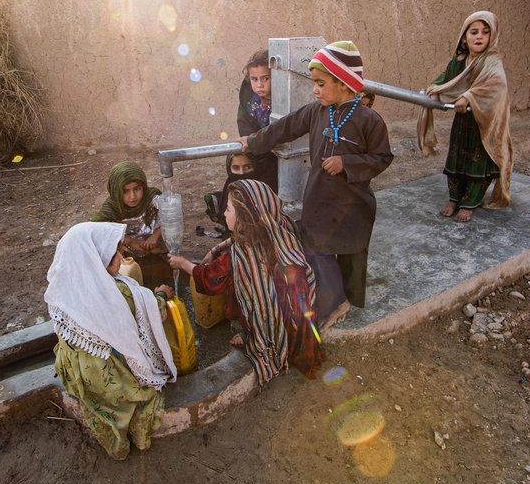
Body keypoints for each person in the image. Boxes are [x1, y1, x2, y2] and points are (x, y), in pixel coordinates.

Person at [237, 41, 393, 331]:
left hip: (353, 200)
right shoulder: (316, 112)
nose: (315, 89)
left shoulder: (370, 121)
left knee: (351, 251)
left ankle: (344, 299)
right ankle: (334, 302)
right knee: (315, 249)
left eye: (321, 83)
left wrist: (347, 163)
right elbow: (283, 128)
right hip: (320, 198)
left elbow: (382, 158)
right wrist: (253, 141)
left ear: (344, 83)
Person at [167, 179, 326, 384]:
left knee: (243, 293)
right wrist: (216, 248)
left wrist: (182, 264)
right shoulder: (280, 226)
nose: (224, 213)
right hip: (297, 313)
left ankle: (255, 335)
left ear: (243, 220)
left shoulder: (242, 255)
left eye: (228, 209)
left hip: (271, 318)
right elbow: (237, 237)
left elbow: (209, 279)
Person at [44, 222, 177, 460]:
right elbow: (152, 312)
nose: (122, 255)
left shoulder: (65, 287)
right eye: (115, 252)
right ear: (99, 260)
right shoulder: (115, 295)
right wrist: (160, 295)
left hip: (75, 370)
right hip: (106, 376)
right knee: (146, 384)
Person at [417, 11, 513, 223]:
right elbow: (445, 79)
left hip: (484, 124)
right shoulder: (460, 61)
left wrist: (469, 97)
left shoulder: (492, 61)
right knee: (457, 159)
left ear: (492, 36)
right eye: (474, 32)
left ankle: (470, 203)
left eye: (485, 32)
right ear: (464, 36)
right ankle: (454, 199)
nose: (479, 37)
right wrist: (435, 91)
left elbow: (496, 86)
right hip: (462, 122)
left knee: (478, 163)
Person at [91, 161, 173, 289]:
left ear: (143, 187)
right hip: (127, 255)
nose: (132, 196)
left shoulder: (151, 197)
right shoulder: (111, 208)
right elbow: (97, 231)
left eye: (137, 189)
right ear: (116, 191)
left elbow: (169, 216)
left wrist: (155, 236)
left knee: (165, 275)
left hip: (156, 247)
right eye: (125, 191)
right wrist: (129, 241)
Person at [236, 49, 278, 192]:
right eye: (254, 79)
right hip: (257, 151)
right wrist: (251, 140)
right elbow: (244, 122)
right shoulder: (249, 101)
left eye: (265, 78)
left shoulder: (282, 102)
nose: (259, 85)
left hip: (277, 154)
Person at [204, 153, 255, 236]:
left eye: (247, 167)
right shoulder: (227, 193)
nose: (242, 173)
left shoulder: (263, 193)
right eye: (236, 168)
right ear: (229, 169)